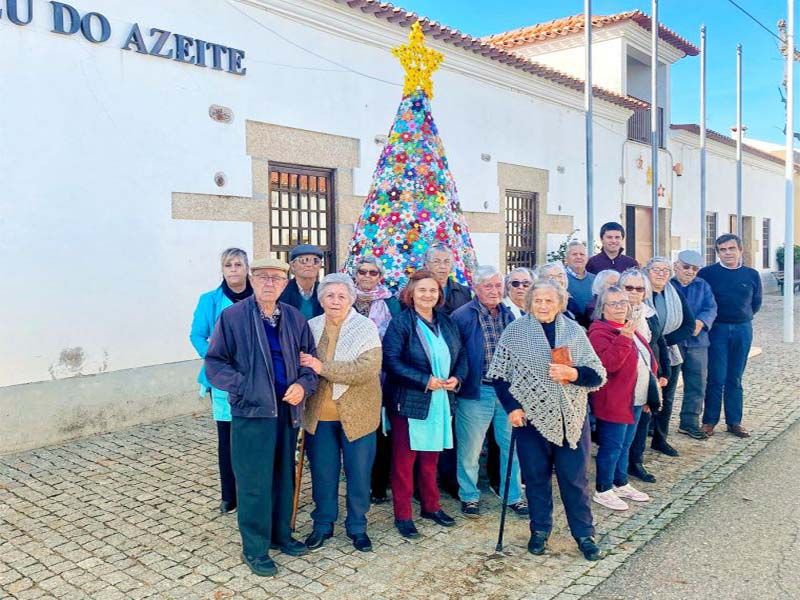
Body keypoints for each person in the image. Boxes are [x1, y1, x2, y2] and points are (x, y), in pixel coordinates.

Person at [205, 257, 319, 577]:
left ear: (285, 283)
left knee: (283, 476)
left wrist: (302, 385)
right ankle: (254, 548)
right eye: (263, 276)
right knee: (254, 482)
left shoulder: (295, 319)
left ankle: (280, 534)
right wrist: (246, 387)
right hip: (252, 412)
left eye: (276, 278)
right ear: (252, 280)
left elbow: (311, 363)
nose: (270, 282)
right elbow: (215, 364)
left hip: (286, 410)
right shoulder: (233, 317)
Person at [487, 279, 607, 561]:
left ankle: (584, 534)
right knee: (536, 478)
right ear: (529, 303)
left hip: (571, 419)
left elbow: (597, 374)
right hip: (530, 421)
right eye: (537, 300)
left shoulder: (574, 331)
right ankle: (539, 530)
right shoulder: (515, 332)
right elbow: (500, 376)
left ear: (560, 303)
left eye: (549, 301)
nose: (543, 305)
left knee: (574, 480)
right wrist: (513, 408)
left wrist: (573, 373)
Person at [300, 274, 383, 553]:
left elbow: (366, 370)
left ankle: (357, 526)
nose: (335, 301)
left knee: (359, 474)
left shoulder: (365, 328)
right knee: (324, 473)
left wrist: (321, 367)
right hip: (319, 416)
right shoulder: (310, 328)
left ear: (351, 298)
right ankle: (322, 524)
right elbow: (301, 367)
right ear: (321, 299)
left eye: (341, 296)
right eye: (330, 296)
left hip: (358, 414)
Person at [382, 270, 468, 539]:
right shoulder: (401, 323)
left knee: (431, 457)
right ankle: (403, 515)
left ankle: (431, 506)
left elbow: (462, 354)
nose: (427, 295)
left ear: (439, 294)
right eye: (422, 290)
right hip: (410, 401)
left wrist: (458, 378)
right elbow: (391, 361)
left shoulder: (446, 322)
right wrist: (424, 380)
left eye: (432, 290)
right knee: (404, 462)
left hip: (441, 399)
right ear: (411, 293)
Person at [451, 266, 527, 518]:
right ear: (475, 287)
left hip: (507, 392)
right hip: (476, 391)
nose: (494, 291)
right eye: (488, 286)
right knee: (470, 449)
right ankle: (469, 496)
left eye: (497, 286)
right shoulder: (462, 316)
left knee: (511, 447)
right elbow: (455, 354)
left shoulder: (509, 314)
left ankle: (513, 495)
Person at [190, 248, 253, 515]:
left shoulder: (259, 296)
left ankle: (253, 489)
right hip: (224, 379)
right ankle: (230, 494)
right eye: (229, 265)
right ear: (223, 270)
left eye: (238, 264)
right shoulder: (210, 301)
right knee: (227, 438)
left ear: (247, 268)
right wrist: (217, 360)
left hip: (257, 377)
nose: (234, 269)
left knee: (253, 436)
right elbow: (197, 336)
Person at [589, 287, 659, 511]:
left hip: (636, 397)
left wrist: (650, 391)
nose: (619, 307)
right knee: (611, 445)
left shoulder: (630, 327)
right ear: (603, 308)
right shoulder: (599, 332)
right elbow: (609, 365)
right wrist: (625, 338)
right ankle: (603, 488)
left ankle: (620, 482)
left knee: (626, 444)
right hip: (614, 399)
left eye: (622, 302)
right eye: (613, 303)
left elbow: (647, 358)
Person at [699, 234, 762, 438]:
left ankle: (734, 422)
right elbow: (703, 301)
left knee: (735, 377)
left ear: (740, 250)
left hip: (742, 329)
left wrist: (742, 316)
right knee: (716, 377)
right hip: (717, 329)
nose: (727, 253)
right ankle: (709, 421)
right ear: (717, 252)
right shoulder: (708, 273)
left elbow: (756, 303)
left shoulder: (751, 274)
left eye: (731, 248)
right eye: (723, 250)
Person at [351, 255, 402, 504]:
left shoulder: (390, 303)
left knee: (382, 429)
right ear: (355, 274)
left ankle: (379, 485)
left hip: (383, 375)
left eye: (373, 273)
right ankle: (356, 479)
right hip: (351, 374)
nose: (367, 277)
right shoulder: (345, 298)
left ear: (380, 276)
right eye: (363, 272)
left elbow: (398, 336)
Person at [619, 268, 669, 484]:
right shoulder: (614, 312)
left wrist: (664, 371)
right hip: (624, 376)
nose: (633, 293)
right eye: (628, 287)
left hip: (649, 372)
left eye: (639, 289)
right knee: (624, 422)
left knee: (644, 417)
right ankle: (618, 469)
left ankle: (636, 461)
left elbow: (659, 342)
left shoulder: (648, 313)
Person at [645, 257, 695, 457]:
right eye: (656, 269)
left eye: (665, 270)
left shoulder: (675, 294)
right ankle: (636, 447)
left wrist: (663, 341)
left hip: (671, 353)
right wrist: (656, 342)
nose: (661, 273)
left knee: (667, 397)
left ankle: (660, 439)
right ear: (646, 271)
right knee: (644, 398)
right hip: (646, 352)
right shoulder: (640, 293)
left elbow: (689, 325)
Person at [672, 250, 718, 440]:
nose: (690, 271)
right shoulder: (668, 284)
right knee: (667, 383)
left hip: (698, 342)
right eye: (686, 267)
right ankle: (655, 423)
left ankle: (689, 422)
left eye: (694, 268)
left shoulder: (703, 286)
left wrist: (701, 321)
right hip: (673, 341)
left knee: (697, 383)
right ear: (676, 266)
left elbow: (711, 308)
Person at [279, 244, 325, 320]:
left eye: (315, 261)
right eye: (303, 260)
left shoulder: (324, 291)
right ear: (293, 265)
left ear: (320, 266)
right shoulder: (282, 290)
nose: (309, 265)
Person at [424, 243, 472, 314]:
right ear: (427, 265)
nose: (442, 266)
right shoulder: (418, 291)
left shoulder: (464, 291)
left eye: (447, 262)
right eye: (436, 262)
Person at [565, 241, 596, 315]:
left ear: (587, 259)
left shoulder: (595, 279)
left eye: (582, 254)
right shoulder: (561, 279)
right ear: (566, 259)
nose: (578, 257)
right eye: (574, 254)